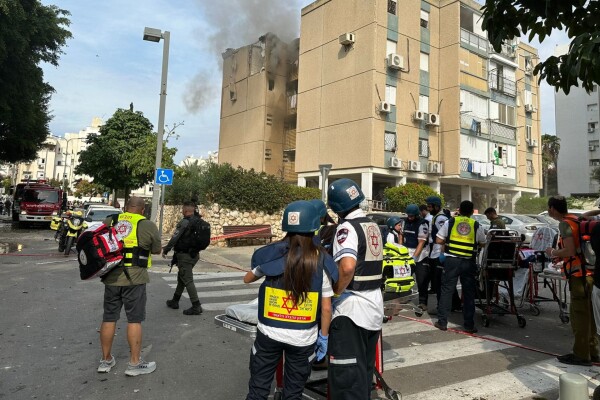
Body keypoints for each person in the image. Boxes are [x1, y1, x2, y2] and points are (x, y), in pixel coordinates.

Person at [243, 200, 337, 400]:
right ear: (314, 227)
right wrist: (324, 336)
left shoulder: (272, 255)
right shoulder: (322, 259)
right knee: (293, 394)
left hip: (269, 334)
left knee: (258, 390)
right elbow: (327, 308)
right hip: (303, 340)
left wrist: (265, 269)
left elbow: (247, 279)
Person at [327, 178, 383, 400]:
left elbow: (348, 266)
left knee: (347, 378)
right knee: (362, 373)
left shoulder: (346, 228)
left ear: (336, 207)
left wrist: (335, 294)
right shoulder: (372, 225)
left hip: (352, 311)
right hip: (373, 307)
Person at [97, 197, 161, 376]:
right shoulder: (147, 224)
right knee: (134, 320)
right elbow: (156, 250)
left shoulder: (111, 220)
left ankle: (105, 361)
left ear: (125, 208)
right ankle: (134, 363)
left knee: (109, 317)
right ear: (142, 210)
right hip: (135, 278)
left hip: (111, 276)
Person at [545, 196, 598, 366]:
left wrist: (553, 252)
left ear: (553, 208)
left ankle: (581, 355)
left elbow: (568, 250)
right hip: (590, 273)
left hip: (578, 277)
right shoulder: (577, 219)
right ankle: (593, 351)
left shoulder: (565, 224)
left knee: (579, 316)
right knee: (591, 315)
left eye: (549, 208)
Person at [434, 200, 486, 333]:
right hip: (468, 262)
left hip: (452, 261)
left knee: (447, 290)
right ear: (471, 212)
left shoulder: (450, 222)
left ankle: (442, 322)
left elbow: (439, 240)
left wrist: (451, 241)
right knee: (468, 293)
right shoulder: (475, 225)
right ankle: (469, 325)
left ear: (460, 210)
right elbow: (482, 242)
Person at [163, 201, 203, 315]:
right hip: (194, 255)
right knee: (182, 277)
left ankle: (196, 306)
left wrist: (166, 249)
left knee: (188, 280)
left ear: (185, 211)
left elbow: (175, 237)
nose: (181, 211)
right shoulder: (198, 222)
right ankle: (175, 300)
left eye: (182, 209)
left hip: (185, 256)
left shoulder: (185, 222)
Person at [426, 196, 461, 311]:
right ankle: (455, 304)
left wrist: (442, 252)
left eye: (430, 206)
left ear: (436, 206)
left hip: (439, 253)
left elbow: (445, 236)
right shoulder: (437, 217)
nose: (428, 208)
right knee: (445, 281)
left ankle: (442, 307)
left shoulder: (440, 218)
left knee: (440, 282)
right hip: (435, 252)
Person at [401, 204, 430, 311]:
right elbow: (401, 235)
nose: (410, 218)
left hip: (420, 256)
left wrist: (414, 257)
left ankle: (423, 302)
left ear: (417, 215)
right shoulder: (404, 222)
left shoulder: (422, 224)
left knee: (421, 280)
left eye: (412, 216)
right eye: (408, 216)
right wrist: (400, 250)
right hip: (407, 254)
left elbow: (421, 243)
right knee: (405, 279)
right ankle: (404, 297)